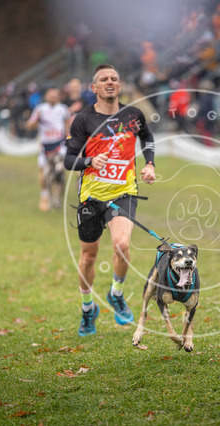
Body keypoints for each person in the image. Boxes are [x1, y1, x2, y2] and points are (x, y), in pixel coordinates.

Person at [64, 64, 156, 336]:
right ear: (94, 88)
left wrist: (149, 164)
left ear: (120, 85)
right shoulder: (83, 119)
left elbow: (147, 138)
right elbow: (69, 160)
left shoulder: (133, 115)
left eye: (114, 78)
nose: (110, 82)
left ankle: (116, 293)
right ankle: (87, 308)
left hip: (123, 192)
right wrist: (90, 161)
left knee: (122, 244)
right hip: (91, 197)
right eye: (104, 79)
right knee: (88, 257)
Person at [26, 87, 70, 211]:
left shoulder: (63, 109)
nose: (53, 97)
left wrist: (69, 140)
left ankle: (57, 197)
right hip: (45, 146)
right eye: (50, 95)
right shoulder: (40, 109)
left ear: (59, 96)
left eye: (55, 95)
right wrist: (36, 120)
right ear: (46, 96)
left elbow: (67, 126)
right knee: (44, 172)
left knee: (60, 171)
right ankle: (44, 196)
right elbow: (29, 125)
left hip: (59, 145)